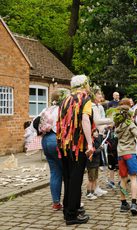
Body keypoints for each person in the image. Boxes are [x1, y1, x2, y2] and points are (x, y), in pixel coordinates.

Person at [56, 74, 94, 225]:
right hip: (78, 147)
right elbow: (85, 119)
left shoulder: (65, 100)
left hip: (64, 146)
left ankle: (69, 210)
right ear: (85, 84)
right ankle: (72, 215)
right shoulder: (85, 99)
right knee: (76, 180)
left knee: (68, 179)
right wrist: (90, 143)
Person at [40, 90, 66, 210]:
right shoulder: (63, 110)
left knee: (54, 172)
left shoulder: (46, 109)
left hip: (45, 140)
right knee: (67, 172)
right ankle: (69, 201)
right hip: (57, 139)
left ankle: (56, 202)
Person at [85, 129, 103, 200]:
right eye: (95, 132)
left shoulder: (96, 140)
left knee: (94, 178)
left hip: (96, 163)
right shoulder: (90, 142)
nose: (97, 133)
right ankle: (88, 193)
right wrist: (100, 149)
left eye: (97, 132)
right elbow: (92, 152)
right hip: (91, 163)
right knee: (91, 179)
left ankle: (93, 191)